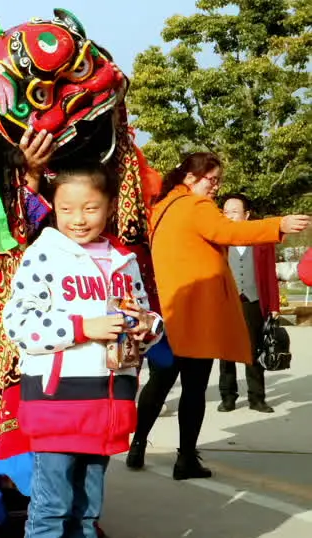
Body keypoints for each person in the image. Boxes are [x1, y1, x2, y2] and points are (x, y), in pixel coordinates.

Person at [4, 165, 163, 538]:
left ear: (110, 207)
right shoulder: (43, 256)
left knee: (87, 505)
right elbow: (18, 325)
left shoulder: (124, 261)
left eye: (90, 208)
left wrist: (145, 327)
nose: (78, 218)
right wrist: (82, 327)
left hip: (108, 401)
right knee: (52, 506)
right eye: (67, 208)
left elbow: (144, 319)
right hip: (58, 402)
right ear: (54, 208)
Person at [126, 153, 309, 479]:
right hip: (196, 315)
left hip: (168, 313)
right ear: (191, 178)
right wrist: (277, 225)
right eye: (212, 179)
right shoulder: (195, 207)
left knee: (160, 382)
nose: (216, 187)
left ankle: (137, 446)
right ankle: (185, 460)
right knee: (194, 388)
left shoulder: (163, 208)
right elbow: (230, 232)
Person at [218, 193, 280, 413]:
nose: (229, 216)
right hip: (225, 301)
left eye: (234, 212)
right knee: (226, 352)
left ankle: (257, 398)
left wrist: (274, 305)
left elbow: (270, 275)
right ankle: (228, 397)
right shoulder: (219, 240)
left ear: (246, 215)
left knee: (254, 350)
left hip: (252, 300)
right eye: (225, 212)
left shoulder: (262, 239)